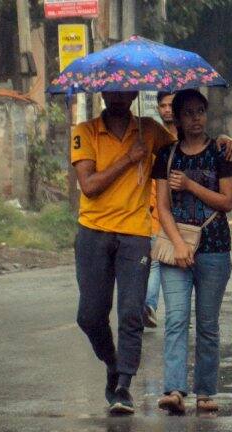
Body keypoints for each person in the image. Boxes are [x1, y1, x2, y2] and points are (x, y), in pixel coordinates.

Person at [71, 90, 176, 415]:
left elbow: (183, 150)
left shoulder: (149, 129)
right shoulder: (85, 132)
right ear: (102, 92)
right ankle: (113, 363)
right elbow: (89, 185)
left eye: (124, 90)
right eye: (111, 90)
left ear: (132, 93)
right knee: (89, 315)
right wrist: (129, 159)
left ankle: (123, 387)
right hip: (93, 231)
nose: (118, 96)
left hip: (134, 234)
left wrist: (222, 142)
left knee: (132, 312)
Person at [152, 89, 232, 415]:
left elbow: (226, 202)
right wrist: (177, 244)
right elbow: (162, 207)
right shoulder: (166, 155)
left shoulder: (221, 152)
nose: (196, 118)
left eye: (200, 111)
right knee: (175, 319)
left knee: (207, 324)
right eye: (188, 113)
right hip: (177, 248)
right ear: (177, 117)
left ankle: (205, 391)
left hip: (214, 247)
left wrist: (189, 185)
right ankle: (174, 389)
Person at [143, 92, 177, 329]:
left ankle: (177, 314)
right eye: (162, 105)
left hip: (184, 211)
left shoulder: (187, 137)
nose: (166, 109)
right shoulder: (152, 135)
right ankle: (149, 305)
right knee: (155, 260)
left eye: (171, 105)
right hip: (155, 207)